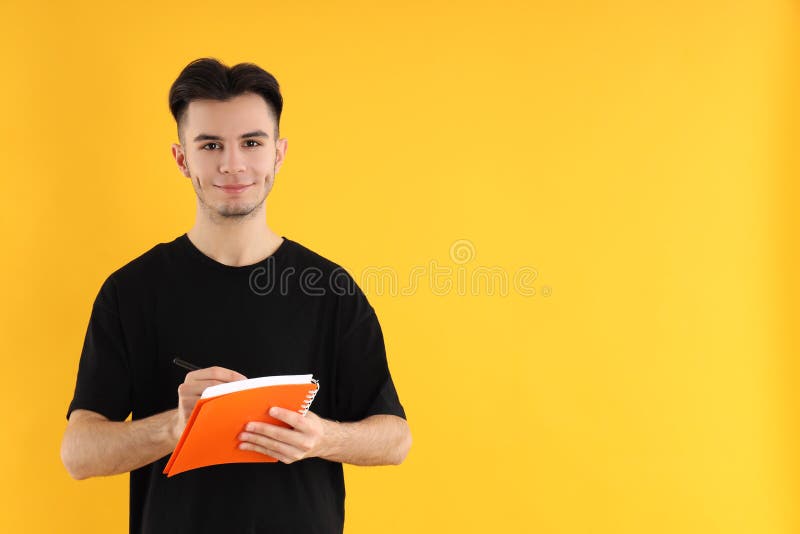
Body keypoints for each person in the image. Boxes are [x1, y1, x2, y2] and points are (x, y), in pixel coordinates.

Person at [60, 57, 411, 534]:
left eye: (251, 142)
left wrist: (321, 437)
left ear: (279, 154)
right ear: (181, 158)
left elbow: (395, 439)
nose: (232, 164)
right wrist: (175, 427)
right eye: (210, 145)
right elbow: (77, 454)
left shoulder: (331, 289)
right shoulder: (131, 292)